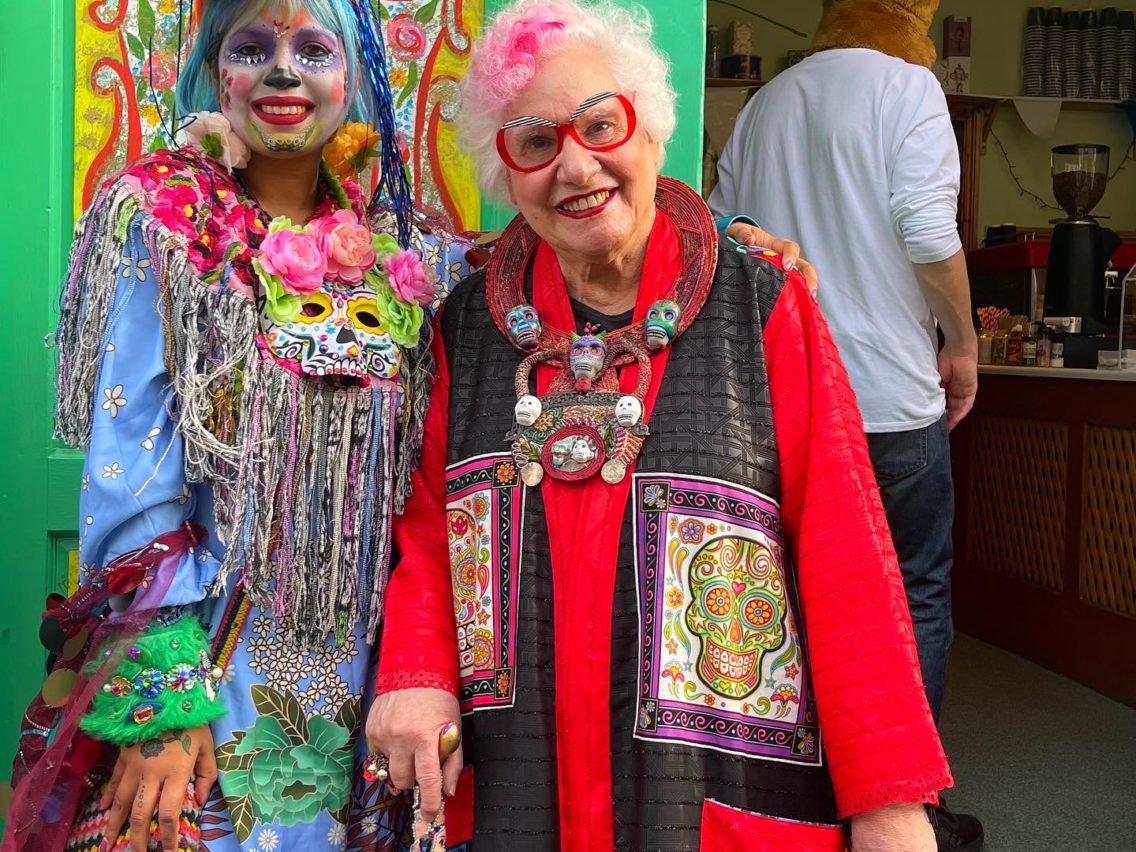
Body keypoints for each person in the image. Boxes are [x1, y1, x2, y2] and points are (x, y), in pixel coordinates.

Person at [365, 1, 953, 849]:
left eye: (600, 125)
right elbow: (426, 529)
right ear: (509, 174)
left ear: (649, 132)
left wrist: (891, 801)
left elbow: (846, 555)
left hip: (708, 790)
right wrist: (416, 675)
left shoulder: (765, 306)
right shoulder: (467, 326)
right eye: (535, 143)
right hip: (517, 784)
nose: (574, 166)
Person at [3, 1, 476, 850]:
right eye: (252, 48)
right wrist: (162, 706)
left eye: (313, 49)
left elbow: (563, 262)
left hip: (379, 671)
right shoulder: (168, 230)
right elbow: (133, 481)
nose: (284, 72)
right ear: (214, 72)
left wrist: (721, 234)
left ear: (357, 74)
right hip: (215, 669)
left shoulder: (415, 257)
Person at [707, 1, 982, 849]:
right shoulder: (910, 89)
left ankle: (795, 800)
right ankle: (904, 805)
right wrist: (964, 345)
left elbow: (721, 230)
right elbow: (929, 229)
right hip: (891, 401)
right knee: (912, 600)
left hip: (781, 397)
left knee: (783, 605)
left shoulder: (769, 101)